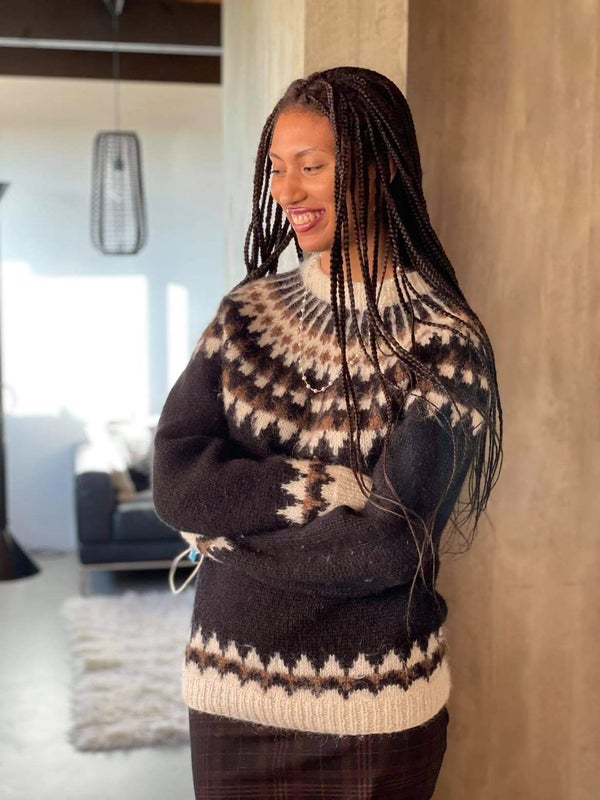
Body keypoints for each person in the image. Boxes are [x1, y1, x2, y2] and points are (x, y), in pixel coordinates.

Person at [152, 66, 502, 800]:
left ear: (382, 170)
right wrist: (310, 489)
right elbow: (177, 481)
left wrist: (225, 539)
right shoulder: (246, 317)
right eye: (278, 168)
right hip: (230, 696)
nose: (287, 191)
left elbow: (387, 545)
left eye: (312, 166)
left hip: (375, 711)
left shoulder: (442, 343)